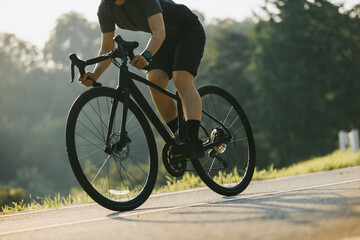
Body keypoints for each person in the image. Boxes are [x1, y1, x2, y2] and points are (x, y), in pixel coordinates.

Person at [78, 0, 206, 158]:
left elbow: (159, 31)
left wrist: (146, 55)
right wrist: (95, 74)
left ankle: (193, 141)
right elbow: (107, 48)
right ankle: (180, 137)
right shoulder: (106, 9)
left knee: (181, 78)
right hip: (165, 40)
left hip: (188, 30)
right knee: (154, 80)